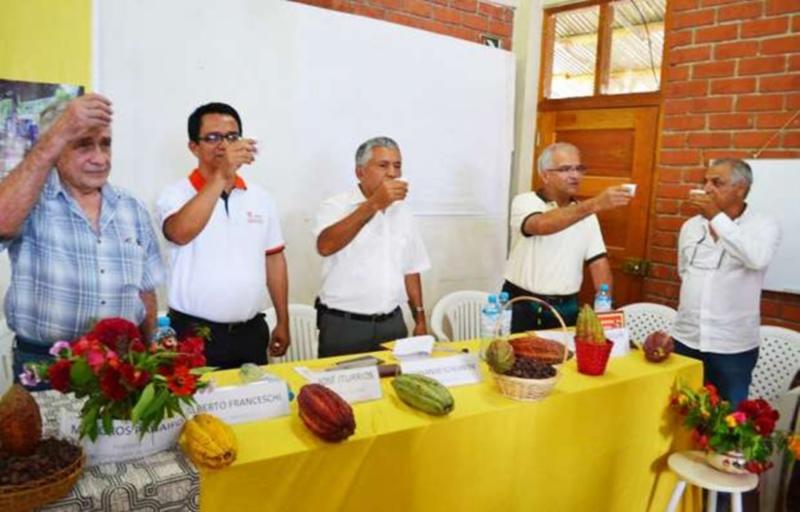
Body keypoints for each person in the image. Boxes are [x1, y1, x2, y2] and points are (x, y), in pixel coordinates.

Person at [0, 94, 164, 384]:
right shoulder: (30, 200)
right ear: (56, 148)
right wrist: (58, 132)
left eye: (106, 144)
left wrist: (150, 353)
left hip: (121, 366)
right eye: (83, 145)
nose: (100, 158)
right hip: (46, 366)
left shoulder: (131, 207)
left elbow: (145, 292)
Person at [157, 102, 290, 369]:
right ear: (193, 147)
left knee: (258, 408)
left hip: (251, 331)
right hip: (194, 335)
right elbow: (179, 233)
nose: (224, 146)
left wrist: (283, 321)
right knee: (196, 411)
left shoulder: (261, 198)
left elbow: (274, 260)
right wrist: (221, 176)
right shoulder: (174, 194)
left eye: (231, 137)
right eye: (213, 138)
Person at [672, 158, 781, 406]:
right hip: (687, 339)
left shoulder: (763, 225)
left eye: (716, 182)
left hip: (731, 346)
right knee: (681, 414)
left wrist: (717, 218)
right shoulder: (691, 226)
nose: (707, 188)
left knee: (729, 422)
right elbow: (684, 272)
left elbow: (756, 258)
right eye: (705, 181)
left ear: (740, 188)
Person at [313, 136, 430, 357]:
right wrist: (374, 204)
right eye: (383, 165)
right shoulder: (335, 206)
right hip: (345, 325)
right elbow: (325, 246)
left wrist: (420, 319)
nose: (393, 173)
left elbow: (411, 268)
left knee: (393, 387)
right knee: (342, 391)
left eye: (397, 165)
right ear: (360, 172)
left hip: (392, 324)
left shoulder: (403, 212)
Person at [502, 142, 631, 331]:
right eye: (565, 169)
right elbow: (540, 225)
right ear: (545, 175)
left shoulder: (587, 215)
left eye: (579, 168)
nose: (575, 175)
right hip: (523, 304)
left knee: (565, 359)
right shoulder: (525, 201)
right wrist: (595, 203)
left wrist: (606, 309)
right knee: (514, 358)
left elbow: (598, 263)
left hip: (567, 307)